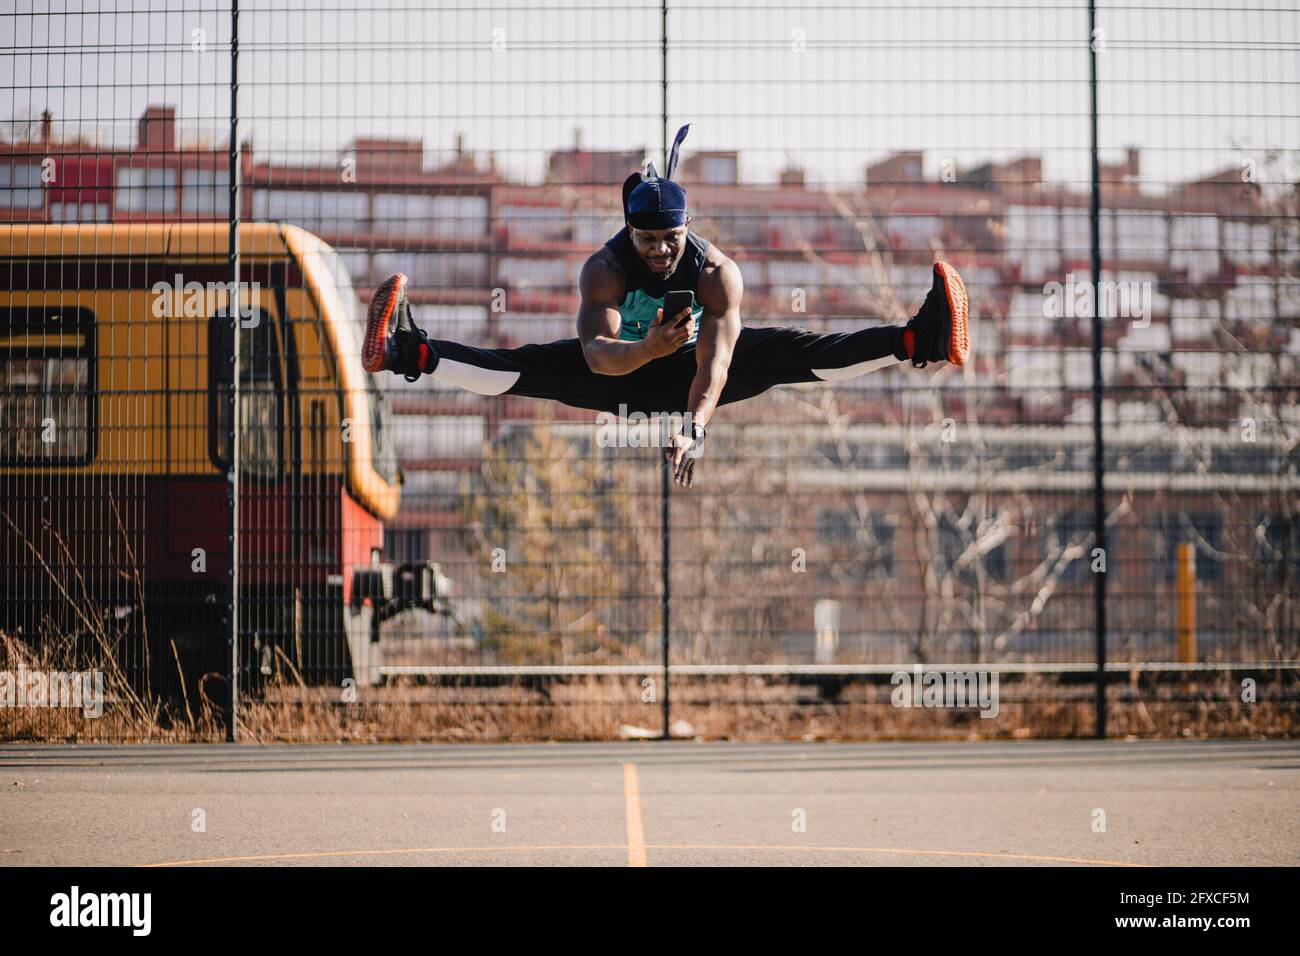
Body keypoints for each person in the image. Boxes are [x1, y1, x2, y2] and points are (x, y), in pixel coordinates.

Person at [363, 125, 968, 488]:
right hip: (622, 372)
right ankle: (406, 351)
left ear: (688, 230)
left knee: (792, 354)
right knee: (529, 368)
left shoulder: (716, 274)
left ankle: (922, 340)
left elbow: (717, 366)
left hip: (693, 373)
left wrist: (693, 431)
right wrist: (649, 346)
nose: (657, 251)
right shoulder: (603, 269)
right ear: (628, 231)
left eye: (669, 240)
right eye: (645, 239)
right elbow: (597, 357)